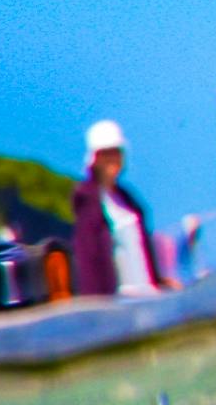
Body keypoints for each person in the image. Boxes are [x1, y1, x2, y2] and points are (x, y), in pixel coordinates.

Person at [70, 119, 178, 299]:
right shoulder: (88, 202)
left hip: (147, 294)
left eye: (116, 152)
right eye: (107, 153)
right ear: (95, 158)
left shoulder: (128, 199)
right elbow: (88, 259)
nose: (113, 159)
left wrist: (159, 281)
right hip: (119, 302)